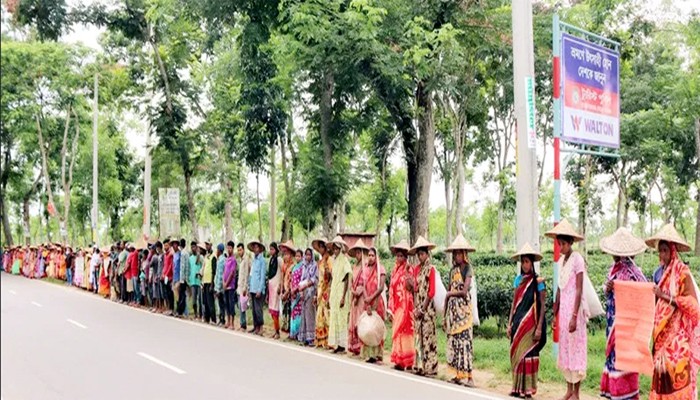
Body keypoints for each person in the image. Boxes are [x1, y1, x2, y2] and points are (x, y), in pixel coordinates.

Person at [645, 224, 700, 400]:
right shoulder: (657, 273)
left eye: (664, 250)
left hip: (677, 335)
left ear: (672, 251)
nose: (661, 255)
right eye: (659, 251)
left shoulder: (683, 272)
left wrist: (665, 296)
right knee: (662, 376)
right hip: (660, 335)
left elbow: (692, 304)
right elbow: (655, 301)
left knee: (677, 373)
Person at [596, 228, 647, 400]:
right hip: (613, 322)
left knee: (625, 359)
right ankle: (616, 393)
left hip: (626, 325)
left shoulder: (634, 272)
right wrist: (608, 288)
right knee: (614, 357)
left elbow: (643, 293)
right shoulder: (613, 268)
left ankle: (627, 394)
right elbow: (607, 289)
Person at [546, 219, 588, 400]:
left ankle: (576, 393)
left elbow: (579, 288)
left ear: (570, 242)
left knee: (576, 350)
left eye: (563, 243)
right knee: (566, 349)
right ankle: (569, 389)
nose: (560, 247)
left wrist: (574, 315)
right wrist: (555, 309)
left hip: (573, 312)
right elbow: (560, 286)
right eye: (559, 244)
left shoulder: (578, 259)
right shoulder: (561, 261)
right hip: (563, 311)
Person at [508, 243, 547, 398]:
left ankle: (528, 389)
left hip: (531, 325)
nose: (525, 265)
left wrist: (538, 328)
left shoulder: (538, 281)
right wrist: (509, 323)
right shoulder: (518, 280)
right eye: (522, 262)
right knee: (517, 354)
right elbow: (514, 303)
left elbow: (543, 305)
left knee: (528, 355)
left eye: (527, 262)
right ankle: (516, 387)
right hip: (518, 323)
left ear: (532, 263)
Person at [444, 234, 477, 387]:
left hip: (464, 311)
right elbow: (448, 291)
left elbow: (464, 291)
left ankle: (469, 376)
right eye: (455, 253)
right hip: (453, 313)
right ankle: (458, 374)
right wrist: (445, 315)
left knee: (466, 342)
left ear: (464, 254)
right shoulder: (453, 271)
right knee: (455, 342)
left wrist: (451, 294)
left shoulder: (468, 268)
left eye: (459, 253)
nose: (456, 256)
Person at [409, 236, 438, 377]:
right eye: (418, 254)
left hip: (428, 309)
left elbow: (431, 291)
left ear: (427, 254)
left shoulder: (431, 269)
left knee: (428, 337)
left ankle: (430, 367)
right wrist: (416, 307)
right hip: (419, 306)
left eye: (422, 254)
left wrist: (422, 309)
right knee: (418, 336)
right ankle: (419, 365)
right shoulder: (416, 270)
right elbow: (415, 289)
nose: (420, 257)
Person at [388, 239, 415, 371]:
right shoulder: (394, 271)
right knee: (397, 331)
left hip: (406, 305)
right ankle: (399, 360)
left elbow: (412, 287)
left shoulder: (409, 269)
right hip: (397, 305)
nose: (399, 258)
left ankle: (408, 360)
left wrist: (409, 281)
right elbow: (391, 289)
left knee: (405, 330)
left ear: (405, 257)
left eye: (401, 256)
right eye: (397, 255)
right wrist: (390, 308)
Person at [360, 247, 386, 363]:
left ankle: (377, 354)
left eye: (372, 255)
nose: (370, 257)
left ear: (376, 257)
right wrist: (366, 299)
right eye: (369, 255)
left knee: (376, 327)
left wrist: (371, 298)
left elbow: (381, 287)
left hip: (377, 301)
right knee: (367, 326)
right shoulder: (365, 269)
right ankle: (369, 354)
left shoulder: (381, 269)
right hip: (367, 301)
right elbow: (363, 285)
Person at [329, 236, 351, 353]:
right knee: (335, 318)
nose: (335, 251)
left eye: (337, 248)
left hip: (341, 292)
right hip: (334, 292)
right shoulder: (335, 261)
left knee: (341, 319)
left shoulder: (344, 260)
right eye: (334, 249)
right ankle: (337, 344)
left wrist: (343, 297)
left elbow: (347, 277)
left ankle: (342, 345)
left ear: (341, 249)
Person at [348, 239, 369, 355]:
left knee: (360, 320)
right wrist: (352, 291)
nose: (357, 255)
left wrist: (358, 293)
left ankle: (361, 345)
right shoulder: (354, 266)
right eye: (356, 253)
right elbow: (351, 282)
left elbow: (364, 283)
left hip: (361, 297)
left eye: (359, 252)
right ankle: (354, 346)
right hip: (354, 295)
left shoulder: (365, 267)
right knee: (353, 319)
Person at [313, 237, 332, 348]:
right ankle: (320, 340)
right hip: (319, 289)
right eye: (319, 247)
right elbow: (318, 278)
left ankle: (328, 340)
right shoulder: (319, 262)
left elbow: (330, 277)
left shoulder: (329, 260)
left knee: (326, 315)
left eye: (322, 247)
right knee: (319, 315)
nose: (320, 249)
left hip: (326, 290)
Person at [298, 248, 318, 346]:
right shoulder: (304, 265)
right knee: (304, 313)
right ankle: (305, 337)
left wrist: (306, 285)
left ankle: (311, 338)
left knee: (310, 314)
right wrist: (301, 290)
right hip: (304, 291)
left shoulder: (314, 265)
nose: (308, 257)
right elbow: (302, 278)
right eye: (306, 255)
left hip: (311, 291)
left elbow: (314, 279)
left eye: (309, 255)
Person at [248, 240, 267, 335]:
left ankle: (261, 327)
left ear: (260, 249)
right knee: (254, 309)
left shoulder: (262, 261)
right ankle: (256, 327)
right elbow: (251, 274)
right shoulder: (254, 260)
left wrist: (260, 289)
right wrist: (249, 286)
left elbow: (263, 276)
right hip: (252, 287)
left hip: (258, 289)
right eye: (254, 247)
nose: (255, 249)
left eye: (257, 247)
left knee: (258, 309)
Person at [279, 241, 296, 334]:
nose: (285, 256)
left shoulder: (293, 266)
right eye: (284, 254)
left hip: (289, 291)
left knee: (289, 309)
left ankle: (290, 329)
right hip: (284, 289)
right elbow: (282, 278)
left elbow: (291, 280)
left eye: (287, 254)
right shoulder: (284, 266)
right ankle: (284, 327)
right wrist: (282, 290)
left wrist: (287, 291)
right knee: (284, 309)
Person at [267, 242, 284, 339]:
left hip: (276, 287)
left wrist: (280, 286)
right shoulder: (271, 260)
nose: (271, 251)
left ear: (276, 250)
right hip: (271, 286)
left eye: (272, 249)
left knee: (276, 309)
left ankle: (278, 332)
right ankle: (275, 330)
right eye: (270, 249)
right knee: (272, 310)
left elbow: (282, 273)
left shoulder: (279, 259)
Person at [289, 249, 304, 340]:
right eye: (296, 256)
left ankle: (298, 333)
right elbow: (292, 280)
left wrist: (296, 290)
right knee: (293, 312)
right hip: (293, 293)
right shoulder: (294, 267)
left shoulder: (302, 267)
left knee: (298, 312)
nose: (297, 258)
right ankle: (293, 333)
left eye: (299, 256)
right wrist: (291, 290)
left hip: (299, 292)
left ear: (302, 257)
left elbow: (301, 280)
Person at [236, 243, 251, 331]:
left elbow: (246, 274)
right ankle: (242, 323)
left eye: (240, 250)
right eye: (238, 250)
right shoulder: (240, 260)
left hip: (243, 287)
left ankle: (243, 324)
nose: (239, 252)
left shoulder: (246, 259)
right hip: (239, 285)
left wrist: (245, 287)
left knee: (243, 305)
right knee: (240, 305)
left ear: (243, 249)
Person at [224, 242, 239, 330]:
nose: (229, 249)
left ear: (233, 249)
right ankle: (228, 321)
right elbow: (224, 271)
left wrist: (227, 283)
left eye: (230, 248)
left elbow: (232, 272)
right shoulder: (227, 259)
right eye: (228, 248)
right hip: (225, 285)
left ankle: (232, 323)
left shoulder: (233, 259)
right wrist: (223, 282)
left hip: (231, 285)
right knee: (227, 304)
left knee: (231, 303)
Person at [202, 241, 216, 324]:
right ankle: (207, 318)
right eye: (206, 245)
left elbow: (213, 271)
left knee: (210, 302)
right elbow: (204, 269)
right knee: (206, 301)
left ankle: (213, 319)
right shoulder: (206, 256)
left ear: (211, 245)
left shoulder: (213, 256)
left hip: (210, 282)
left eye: (208, 244)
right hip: (205, 281)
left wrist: (212, 283)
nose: (207, 246)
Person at [189, 242, 204, 320]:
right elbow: (189, 269)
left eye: (194, 247)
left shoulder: (200, 257)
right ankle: (195, 314)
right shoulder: (190, 258)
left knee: (200, 299)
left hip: (199, 281)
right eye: (192, 247)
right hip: (192, 281)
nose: (193, 249)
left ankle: (201, 315)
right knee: (194, 299)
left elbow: (202, 267)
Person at [214, 243, 228, 327]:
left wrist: (218, 288)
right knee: (220, 303)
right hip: (219, 285)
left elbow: (220, 275)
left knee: (221, 304)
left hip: (221, 287)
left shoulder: (222, 260)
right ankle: (221, 319)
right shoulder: (219, 259)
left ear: (219, 250)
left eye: (217, 250)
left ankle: (222, 319)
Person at [177, 238, 190, 317]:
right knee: (182, 295)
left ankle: (181, 312)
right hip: (183, 278)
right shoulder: (185, 253)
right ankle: (183, 312)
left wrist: (184, 278)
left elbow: (184, 267)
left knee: (182, 295)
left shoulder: (183, 253)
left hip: (183, 278)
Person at [162, 240, 174, 315]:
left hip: (169, 277)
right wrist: (163, 273)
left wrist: (166, 273)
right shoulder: (165, 255)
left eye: (166, 245)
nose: (165, 247)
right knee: (166, 293)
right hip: (165, 277)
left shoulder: (171, 254)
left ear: (169, 246)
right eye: (164, 246)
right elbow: (165, 265)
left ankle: (171, 309)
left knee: (170, 293)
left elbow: (170, 266)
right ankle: (168, 308)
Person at [171, 240, 181, 314]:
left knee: (178, 293)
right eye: (173, 245)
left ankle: (179, 310)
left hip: (179, 276)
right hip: (174, 276)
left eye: (175, 245)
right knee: (175, 293)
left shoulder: (180, 254)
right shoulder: (174, 255)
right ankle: (176, 309)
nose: (174, 246)